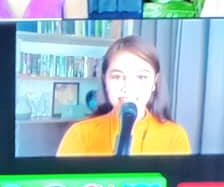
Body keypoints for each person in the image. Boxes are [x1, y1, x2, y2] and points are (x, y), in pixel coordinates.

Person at [56, 35, 192, 156]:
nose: (128, 87)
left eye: (141, 77)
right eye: (117, 76)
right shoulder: (80, 134)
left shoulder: (174, 136)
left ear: (154, 83)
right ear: (105, 80)